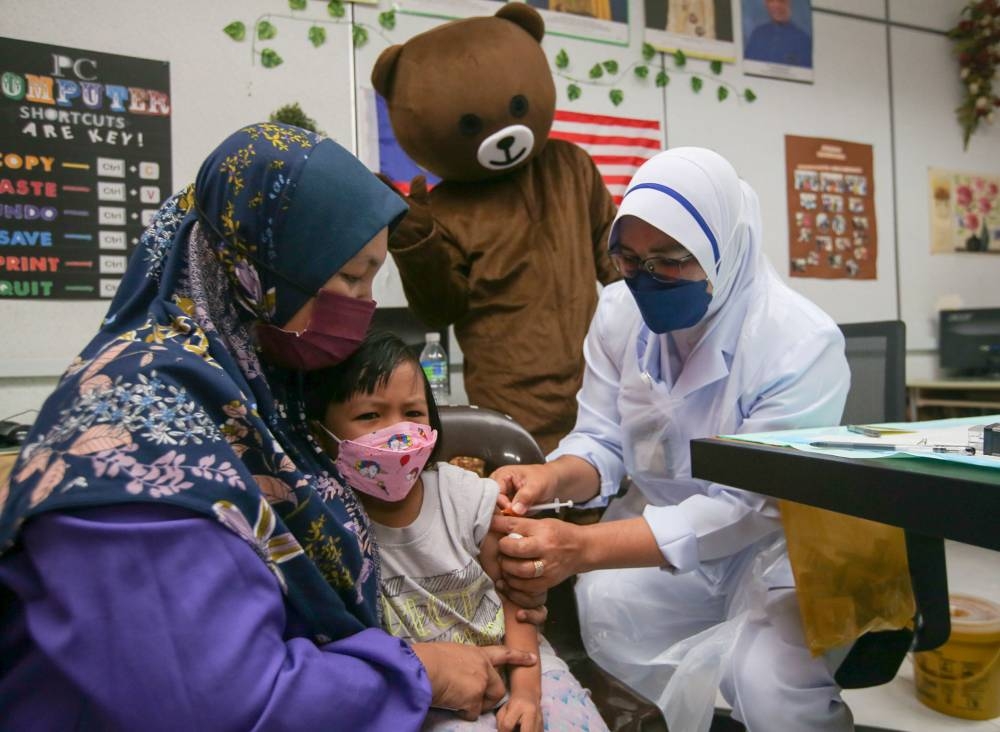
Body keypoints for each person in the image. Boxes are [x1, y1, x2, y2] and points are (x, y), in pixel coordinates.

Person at [0, 123, 539, 730]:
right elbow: (214, 702)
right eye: (350, 277)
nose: (361, 309)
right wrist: (416, 672)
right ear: (261, 268)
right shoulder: (141, 444)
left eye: (372, 279)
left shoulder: (255, 391)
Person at [489, 148, 854, 731]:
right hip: (662, 534)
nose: (645, 279)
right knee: (608, 608)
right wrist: (552, 476)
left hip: (778, 549)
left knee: (768, 684)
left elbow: (748, 509)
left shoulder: (797, 345)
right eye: (629, 259)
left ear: (720, 252)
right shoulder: (617, 315)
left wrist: (582, 547)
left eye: (669, 263)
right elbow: (603, 441)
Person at [304, 330, 608, 732]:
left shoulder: (465, 498)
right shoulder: (328, 524)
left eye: (413, 414)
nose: (397, 432)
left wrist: (526, 696)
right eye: (369, 416)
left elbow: (516, 600)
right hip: (429, 691)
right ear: (321, 435)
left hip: (518, 667)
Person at [744, 0, 812, 67]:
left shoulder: (803, 40)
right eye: (771, 1)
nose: (776, 5)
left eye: (781, 1)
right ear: (766, 4)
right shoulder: (757, 35)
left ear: (789, 2)